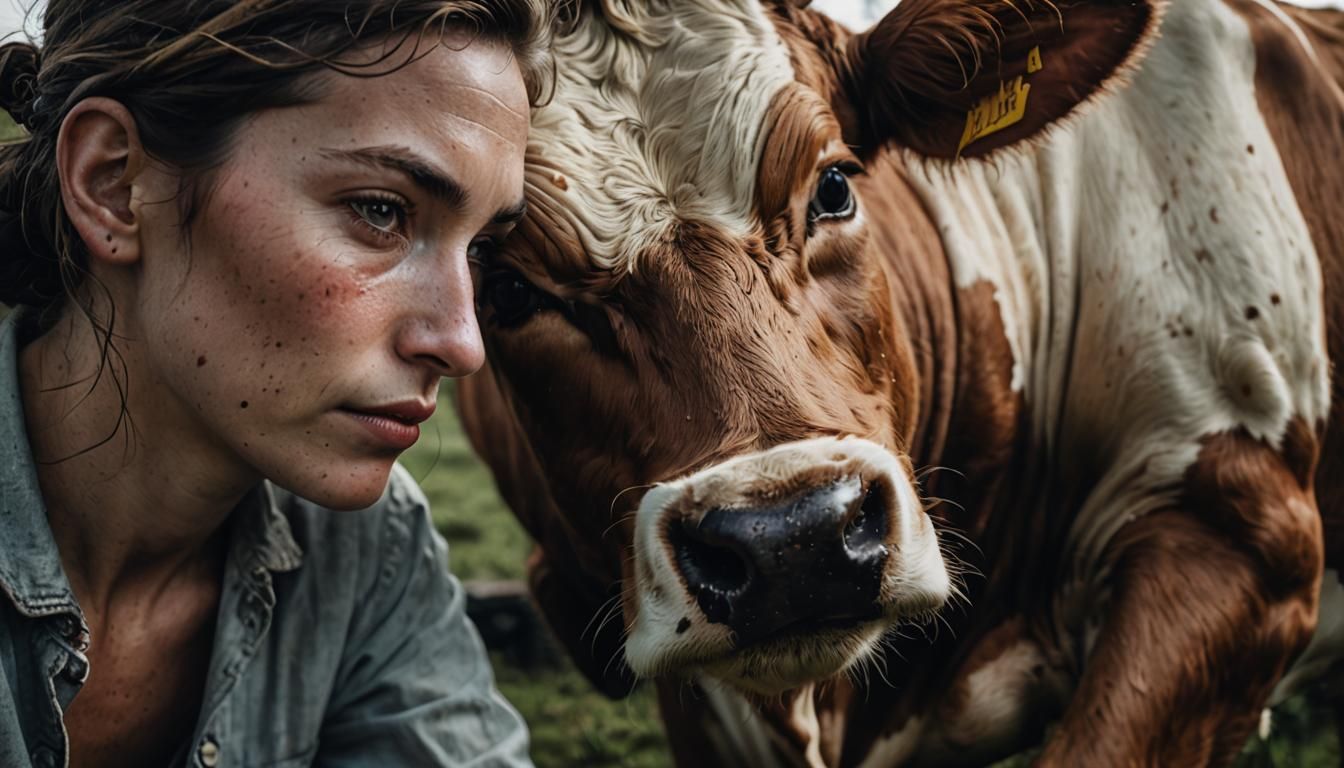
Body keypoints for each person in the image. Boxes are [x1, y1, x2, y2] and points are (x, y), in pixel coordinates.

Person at [0, 1, 552, 766]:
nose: (463, 343)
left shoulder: (365, 550)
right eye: (381, 211)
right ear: (114, 182)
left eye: (482, 249)